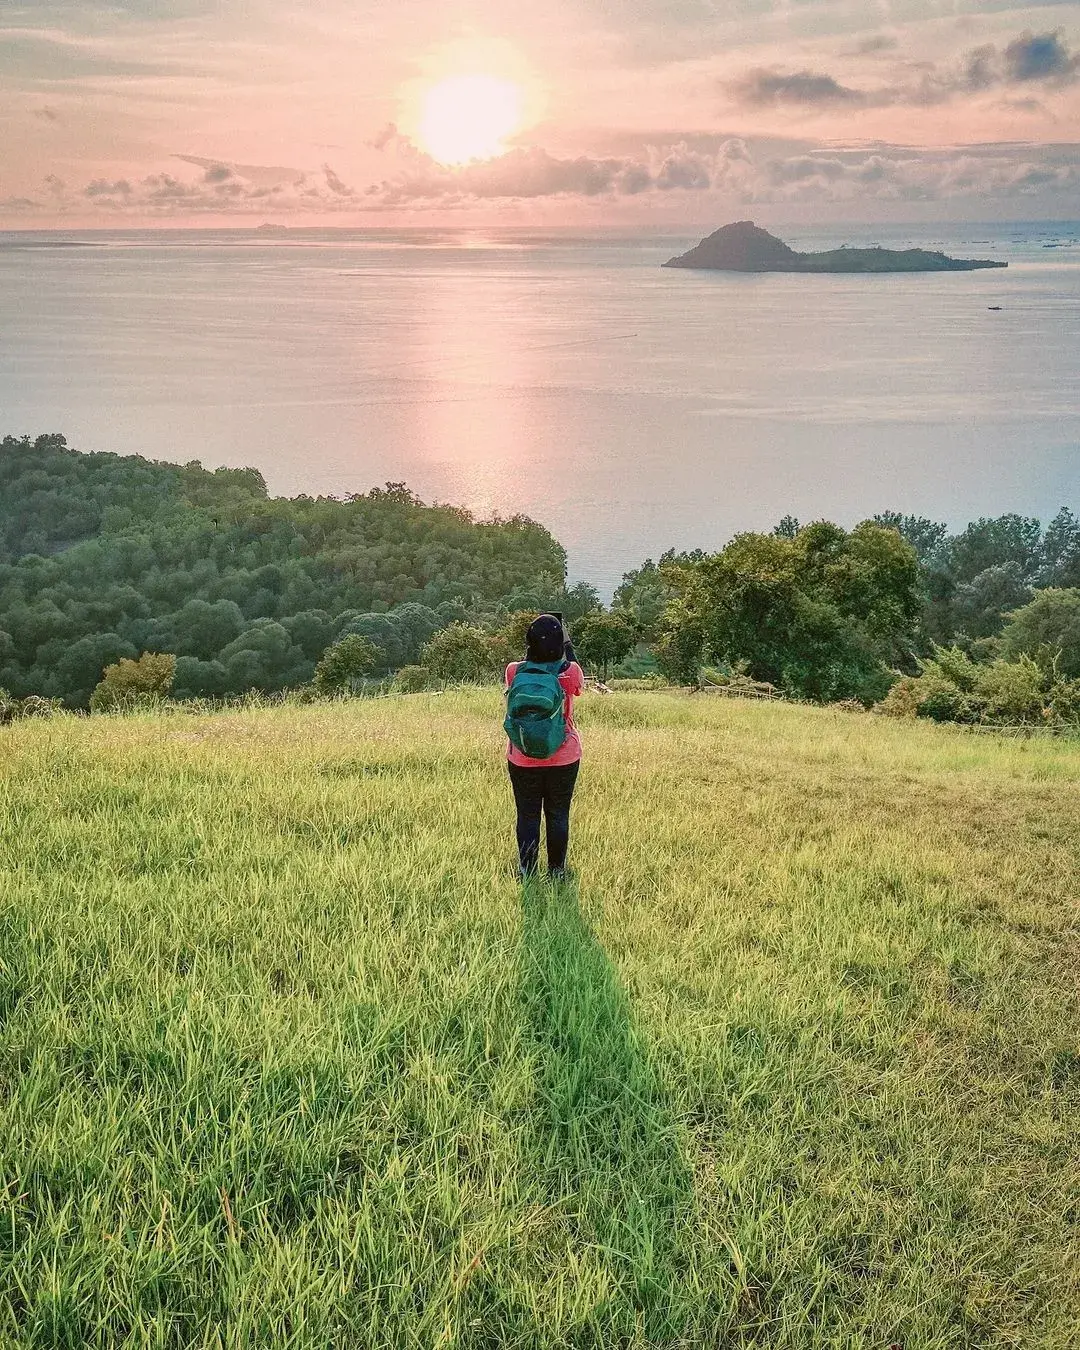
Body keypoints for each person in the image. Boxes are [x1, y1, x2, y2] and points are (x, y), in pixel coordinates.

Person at [504, 614, 585, 880]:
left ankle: (527, 871)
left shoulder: (514, 671)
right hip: (564, 756)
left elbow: (529, 669)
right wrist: (567, 645)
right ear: (560, 642)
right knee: (558, 814)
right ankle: (557, 872)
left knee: (527, 815)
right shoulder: (570, 672)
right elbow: (578, 684)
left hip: (522, 755)